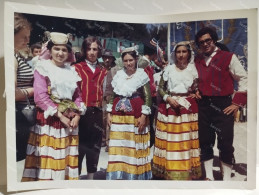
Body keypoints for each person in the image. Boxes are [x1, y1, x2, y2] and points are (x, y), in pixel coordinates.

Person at [21, 32, 86, 181]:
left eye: (64, 50)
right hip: (50, 120)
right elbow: (40, 97)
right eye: (57, 49)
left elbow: (77, 96)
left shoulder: (72, 71)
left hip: (69, 122)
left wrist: (77, 115)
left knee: (64, 160)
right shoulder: (42, 68)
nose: (60, 53)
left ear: (69, 52)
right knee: (49, 161)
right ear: (49, 50)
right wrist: (61, 116)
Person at [194, 27, 247, 181]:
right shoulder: (197, 59)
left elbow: (243, 78)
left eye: (207, 40)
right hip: (203, 105)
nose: (205, 44)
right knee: (205, 141)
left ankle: (226, 180)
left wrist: (237, 103)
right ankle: (209, 177)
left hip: (223, 105)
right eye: (201, 42)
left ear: (214, 40)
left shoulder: (228, 57)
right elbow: (194, 79)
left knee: (225, 143)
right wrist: (196, 89)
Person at [152, 41, 201, 180]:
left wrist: (196, 92)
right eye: (178, 52)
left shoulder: (193, 70)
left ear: (189, 54)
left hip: (187, 108)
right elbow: (160, 88)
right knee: (171, 139)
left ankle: (185, 170)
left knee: (184, 139)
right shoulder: (169, 69)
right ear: (175, 54)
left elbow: (196, 88)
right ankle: (169, 170)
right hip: (170, 106)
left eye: (184, 52)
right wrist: (168, 98)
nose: (181, 55)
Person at [106, 47, 152, 180]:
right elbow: (113, 94)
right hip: (119, 115)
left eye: (131, 60)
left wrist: (144, 116)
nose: (128, 63)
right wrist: (109, 113)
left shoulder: (141, 74)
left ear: (136, 59)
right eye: (125, 61)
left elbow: (148, 97)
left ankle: (133, 174)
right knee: (120, 144)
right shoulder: (119, 75)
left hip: (135, 114)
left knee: (133, 144)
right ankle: (119, 173)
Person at [73, 36, 108, 179]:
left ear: (99, 51)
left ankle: (91, 178)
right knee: (80, 145)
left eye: (95, 49)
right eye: (89, 49)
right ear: (84, 50)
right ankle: (75, 176)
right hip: (81, 112)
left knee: (95, 146)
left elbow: (106, 92)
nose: (92, 52)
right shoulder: (77, 68)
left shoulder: (103, 70)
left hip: (97, 112)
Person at [14, 13, 34, 162]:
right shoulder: (12, 59)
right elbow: (13, 94)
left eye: (29, 36)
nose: (28, 40)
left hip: (24, 116)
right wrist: (35, 90)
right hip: (19, 116)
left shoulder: (17, 55)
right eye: (24, 37)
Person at [138, 39, 158, 148]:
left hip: (150, 96)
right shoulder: (143, 64)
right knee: (148, 123)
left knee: (150, 123)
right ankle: (148, 144)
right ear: (153, 53)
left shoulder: (146, 63)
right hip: (148, 97)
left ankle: (149, 142)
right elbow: (146, 84)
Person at [101, 49, 119, 152]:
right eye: (105, 57)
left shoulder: (115, 70)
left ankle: (108, 141)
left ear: (112, 59)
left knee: (108, 119)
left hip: (110, 97)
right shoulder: (99, 68)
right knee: (101, 119)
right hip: (100, 97)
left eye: (109, 58)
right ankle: (102, 138)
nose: (107, 60)